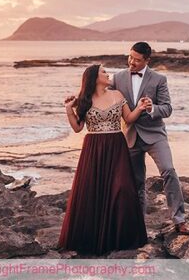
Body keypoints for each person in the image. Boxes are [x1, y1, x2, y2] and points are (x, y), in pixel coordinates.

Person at [58, 64, 148, 255]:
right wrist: (68, 109)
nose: (107, 74)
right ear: (93, 77)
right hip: (94, 149)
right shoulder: (84, 100)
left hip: (117, 145)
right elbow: (77, 128)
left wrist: (140, 107)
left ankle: (120, 237)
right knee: (93, 190)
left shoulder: (117, 95)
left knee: (122, 188)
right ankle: (93, 238)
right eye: (103, 72)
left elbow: (129, 118)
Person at [111, 41, 189, 234]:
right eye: (130, 57)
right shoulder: (118, 77)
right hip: (129, 135)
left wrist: (152, 108)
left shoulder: (159, 79)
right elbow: (102, 97)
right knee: (136, 182)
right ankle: (138, 222)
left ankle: (179, 219)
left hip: (155, 135)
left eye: (137, 60)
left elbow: (167, 108)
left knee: (169, 171)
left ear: (147, 60)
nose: (131, 62)